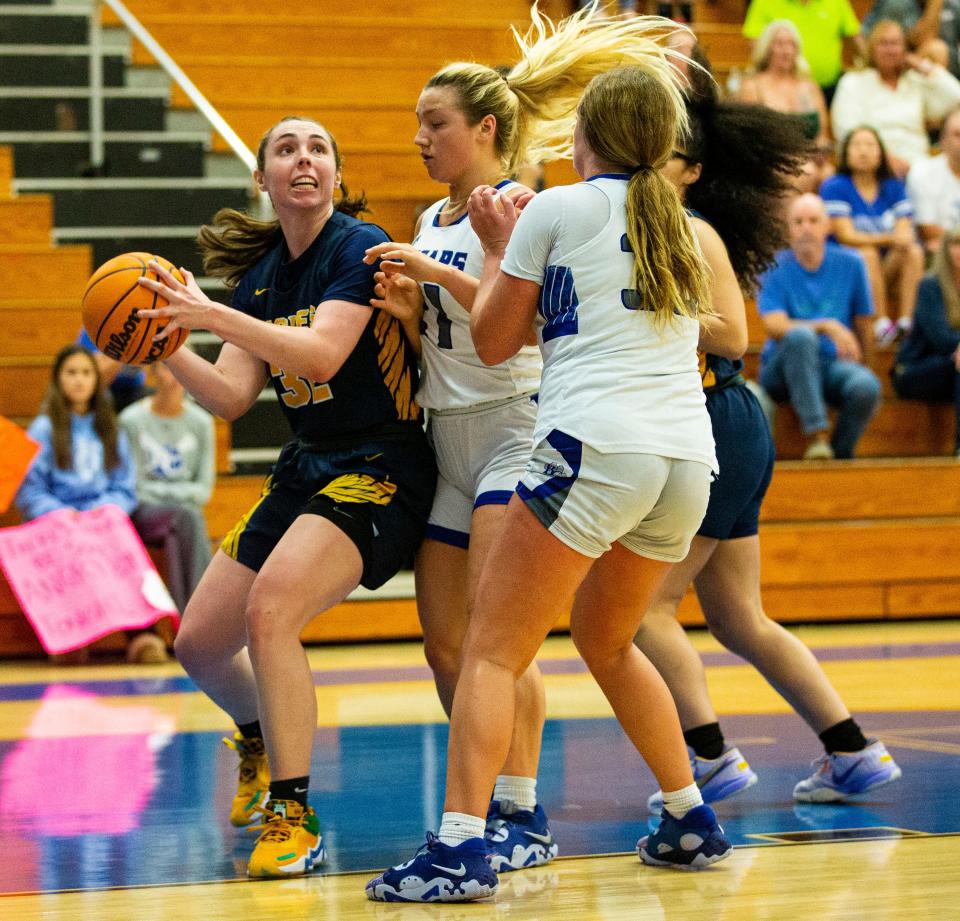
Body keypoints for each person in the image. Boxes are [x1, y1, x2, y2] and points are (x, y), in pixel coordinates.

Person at [367, 62, 735, 904]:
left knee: (493, 647)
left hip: (593, 446)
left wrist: (498, 248)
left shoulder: (555, 208)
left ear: (585, 137)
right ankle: (687, 813)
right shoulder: (676, 220)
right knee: (609, 640)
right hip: (683, 462)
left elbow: (497, 342)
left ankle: (461, 847)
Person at [135, 115, 437, 878]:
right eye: (286, 149)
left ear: (334, 173)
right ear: (263, 181)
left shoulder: (357, 246)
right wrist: (167, 345)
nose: (304, 159)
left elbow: (325, 353)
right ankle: (258, 734)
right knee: (199, 641)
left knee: (271, 610)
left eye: (319, 149)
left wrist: (211, 315)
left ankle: (293, 813)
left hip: (384, 461)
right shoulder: (261, 273)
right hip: (307, 465)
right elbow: (235, 395)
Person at [635, 99, 903, 814]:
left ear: (690, 172)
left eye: (658, 157)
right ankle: (850, 748)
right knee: (738, 617)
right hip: (725, 421)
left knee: (645, 612)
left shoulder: (691, 231)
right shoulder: (661, 225)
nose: (642, 168)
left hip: (718, 416)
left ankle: (710, 756)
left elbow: (732, 333)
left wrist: (644, 312)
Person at [14, 344, 169, 665]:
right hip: (60, 517)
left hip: (102, 516)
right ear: (58, 381)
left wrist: (105, 508)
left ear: (96, 381)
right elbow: (30, 491)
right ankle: (71, 638)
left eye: (86, 373)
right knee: (67, 540)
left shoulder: (109, 426)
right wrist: (59, 513)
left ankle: (142, 634)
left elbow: (124, 487)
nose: (79, 380)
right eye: (71, 373)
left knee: (116, 534)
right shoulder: (44, 429)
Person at [757, 193, 882, 460]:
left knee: (866, 386)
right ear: (788, 229)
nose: (806, 228)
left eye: (813, 220)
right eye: (798, 222)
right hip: (781, 369)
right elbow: (774, 325)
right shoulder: (774, 266)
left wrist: (867, 366)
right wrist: (826, 325)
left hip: (831, 364)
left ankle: (838, 455)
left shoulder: (852, 263)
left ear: (828, 225)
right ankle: (817, 435)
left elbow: (863, 323)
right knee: (800, 336)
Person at [119, 360, 216, 613]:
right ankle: (203, 617)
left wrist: (170, 495)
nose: (173, 376)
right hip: (145, 511)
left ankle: (187, 623)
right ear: (152, 374)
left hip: (182, 515)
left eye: (181, 367)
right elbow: (135, 487)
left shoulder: (202, 423)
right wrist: (177, 495)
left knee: (179, 528)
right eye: (166, 367)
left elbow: (203, 490)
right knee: (186, 518)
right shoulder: (131, 420)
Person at [820, 125, 924, 344]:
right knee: (867, 253)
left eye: (870, 145)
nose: (863, 151)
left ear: (881, 153)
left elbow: (904, 231)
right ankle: (881, 323)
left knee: (913, 251)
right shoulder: (834, 186)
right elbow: (846, 235)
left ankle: (907, 324)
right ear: (845, 153)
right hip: (846, 270)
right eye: (856, 145)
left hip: (885, 268)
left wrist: (898, 238)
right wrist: (889, 238)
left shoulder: (893, 186)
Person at [831, 19, 960, 175]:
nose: (890, 49)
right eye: (883, 43)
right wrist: (886, 159)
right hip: (872, 166)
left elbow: (956, 98)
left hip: (918, 164)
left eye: (895, 43)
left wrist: (922, 66)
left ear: (905, 49)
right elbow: (846, 130)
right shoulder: (853, 82)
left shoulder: (914, 81)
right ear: (871, 48)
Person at [891, 227, 960, 455]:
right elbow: (942, 339)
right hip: (913, 370)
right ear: (945, 250)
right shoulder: (930, 285)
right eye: (955, 244)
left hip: (950, 372)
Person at [737, 20, 831, 148]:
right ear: (767, 48)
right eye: (779, 44)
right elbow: (747, 136)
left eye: (791, 44)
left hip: (810, 159)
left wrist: (819, 152)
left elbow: (822, 136)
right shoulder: (753, 87)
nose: (786, 51)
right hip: (769, 158)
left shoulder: (810, 87)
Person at [742, 0, 861, 102]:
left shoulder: (837, 2)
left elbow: (856, 38)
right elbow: (756, 43)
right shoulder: (764, 2)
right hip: (779, 88)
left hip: (829, 88)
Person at [906, 104, 960, 251]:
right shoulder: (922, 172)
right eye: (957, 135)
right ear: (943, 140)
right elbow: (927, 230)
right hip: (940, 251)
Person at [859, 0, 958, 76]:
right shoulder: (898, 4)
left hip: (950, 75)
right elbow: (923, 39)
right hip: (906, 72)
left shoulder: (953, 5)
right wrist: (935, 5)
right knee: (936, 50)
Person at [77, 327, 150, 413]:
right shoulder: (94, 326)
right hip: (102, 390)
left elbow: (140, 365)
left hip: (132, 390)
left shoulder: (142, 328)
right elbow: (95, 374)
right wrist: (121, 355)